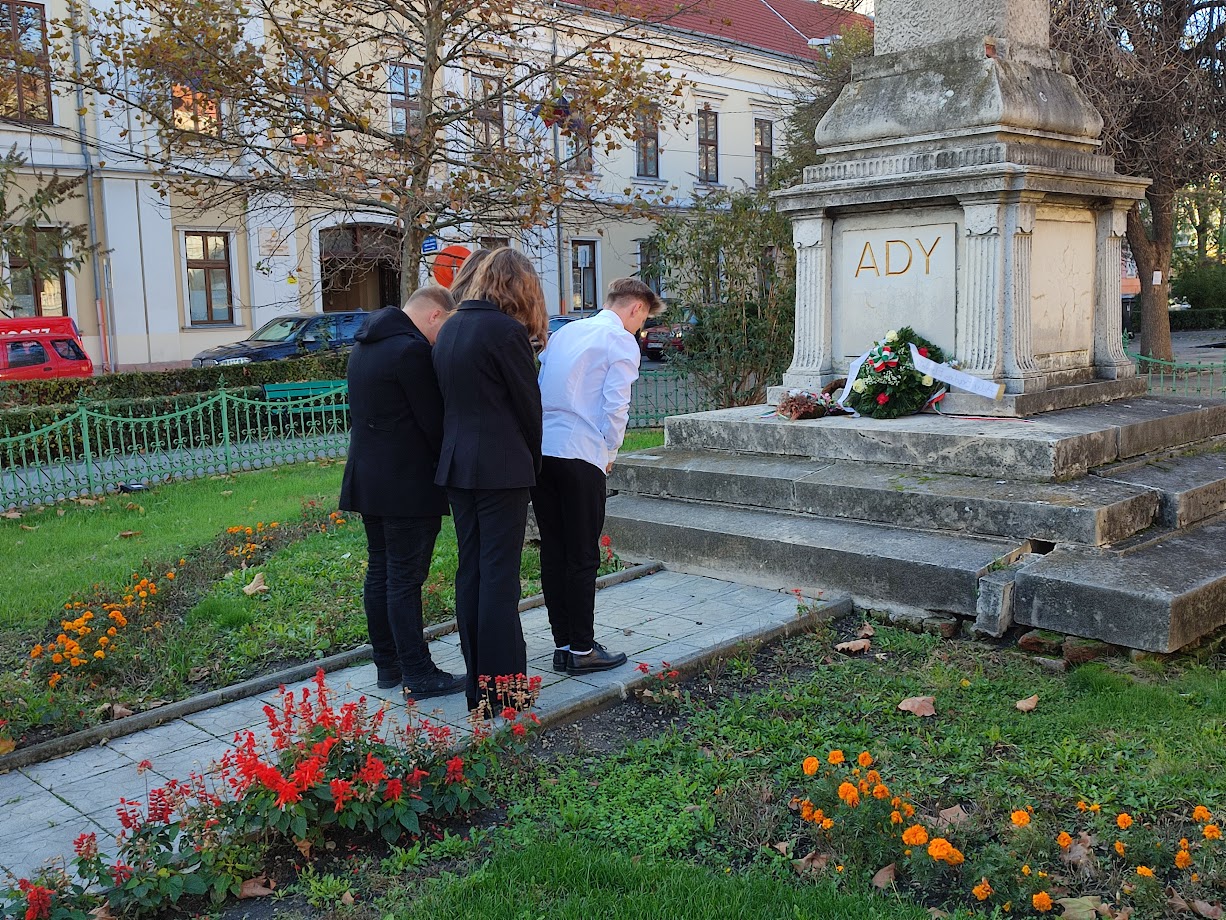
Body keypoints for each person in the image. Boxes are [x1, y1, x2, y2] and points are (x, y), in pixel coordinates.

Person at [432, 248, 548, 712]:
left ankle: (478, 687)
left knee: (472, 572)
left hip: (458, 465)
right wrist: (533, 464)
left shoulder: (450, 327)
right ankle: (505, 690)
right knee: (499, 578)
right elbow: (529, 408)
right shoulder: (506, 332)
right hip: (501, 468)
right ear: (518, 286)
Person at [339, 286, 466, 700]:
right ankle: (418, 672)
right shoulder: (410, 350)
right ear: (435, 315)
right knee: (404, 578)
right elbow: (433, 423)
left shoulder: (364, 345)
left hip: (368, 478)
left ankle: (388, 664)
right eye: (445, 327)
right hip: (407, 483)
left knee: (381, 570)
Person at [533, 278, 665, 675]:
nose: (639, 328)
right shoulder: (620, 340)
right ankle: (582, 648)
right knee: (582, 554)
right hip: (582, 451)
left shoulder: (567, 332)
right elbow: (615, 405)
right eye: (643, 320)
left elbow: (540, 384)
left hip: (544, 450)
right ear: (636, 308)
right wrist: (609, 453)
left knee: (553, 550)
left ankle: (563, 645)